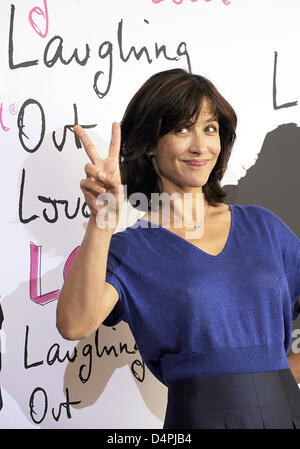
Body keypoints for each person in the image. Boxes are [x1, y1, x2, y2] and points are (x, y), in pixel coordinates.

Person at [56, 68, 300, 429]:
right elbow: (74, 324)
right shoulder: (131, 249)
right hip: (198, 418)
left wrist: (281, 376)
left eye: (210, 128)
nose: (200, 146)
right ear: (150, 144)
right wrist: (102, 218)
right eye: (182, 129)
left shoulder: (263, 227)